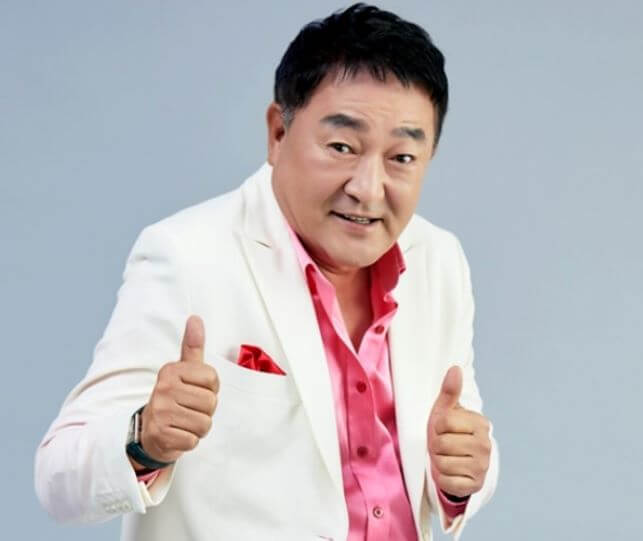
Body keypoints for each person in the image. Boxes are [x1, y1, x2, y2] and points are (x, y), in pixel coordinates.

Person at [35, 4, 498, 540]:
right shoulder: (186, 255)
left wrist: (464, 475)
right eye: (342, 147)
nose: (368, 189)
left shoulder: (440, 260)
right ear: (278, 132)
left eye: (402, 158)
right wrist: (145, 439)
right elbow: (57, 476)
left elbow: (462, 440)